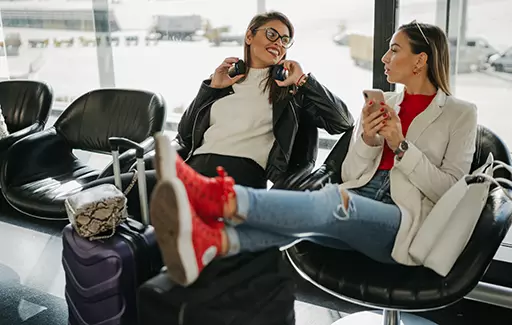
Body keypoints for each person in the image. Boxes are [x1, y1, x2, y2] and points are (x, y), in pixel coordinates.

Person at [148, 21, 479, 286]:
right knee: (303, 216)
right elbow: (352, 175)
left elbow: (450, 191)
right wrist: (366, 138)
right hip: (359, 199)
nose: (383, 58)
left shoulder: (461, 114)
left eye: (394, 50)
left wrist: (400, 144)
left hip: (404, 222)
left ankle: (217, 197)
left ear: (421, 60)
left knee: (330, 202)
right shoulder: (388, 103)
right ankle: (213, 242)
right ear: (249, 37)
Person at [100, 11, 353, 219]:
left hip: (238, 176)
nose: (278, 43)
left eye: (285, 40)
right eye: (272, 34)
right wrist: (211, 87)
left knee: (131, 198)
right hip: (194, 168)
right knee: (107, 189)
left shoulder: (290, 92)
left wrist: (303, 80)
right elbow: (185, 134)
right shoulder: (227, 82)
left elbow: (343, 122)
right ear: (249, 36)